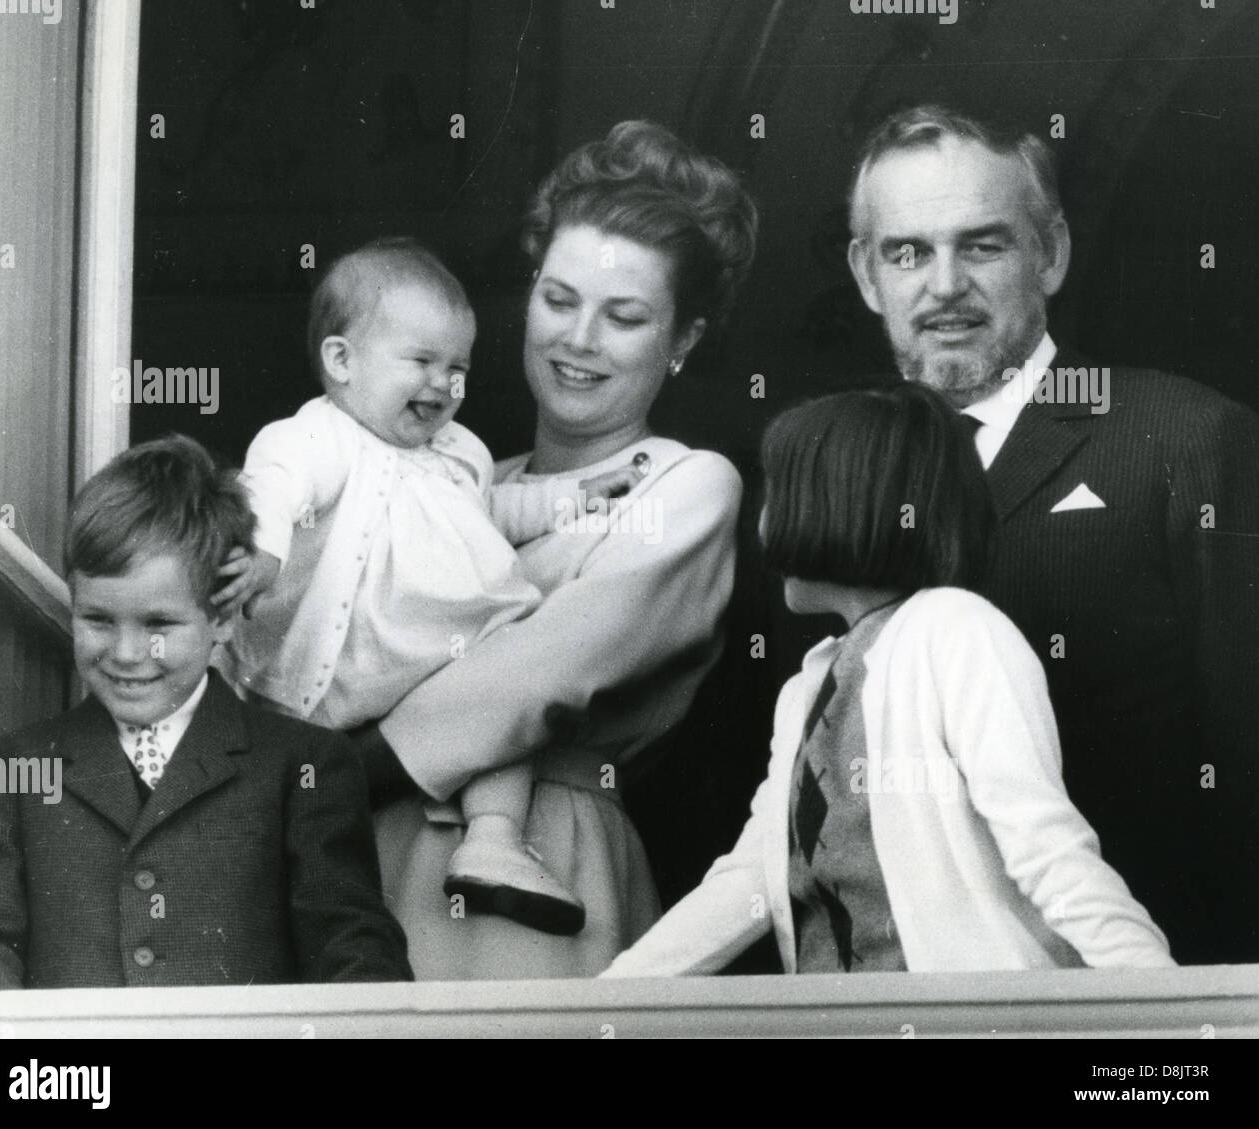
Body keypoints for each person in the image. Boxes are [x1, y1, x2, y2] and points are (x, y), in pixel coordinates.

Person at [844, 104, 1259, 965]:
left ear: (1053, 252)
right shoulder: (828, 475)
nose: (944, 283)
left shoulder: (1180, 435)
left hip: (1134, 1008)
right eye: (908, 251)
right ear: (865, 274)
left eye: (983, 244)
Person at [361, 120, 757, 979]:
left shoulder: (688, 486)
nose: (579, 339)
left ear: (683, 340)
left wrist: (318, 773)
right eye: (559, 299)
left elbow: (538, 672)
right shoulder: (459, 482)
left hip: (538, 859)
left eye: (624, 316)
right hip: (366, 846)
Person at [603, 385, 1175, 976]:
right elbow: (750, 878)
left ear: (844, 501)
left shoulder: (957, 630)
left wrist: (1164, 1011)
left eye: (780, 491)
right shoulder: (805, 691)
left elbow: (1049, 848)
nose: (763, 523)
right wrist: (603, 1000)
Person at [214, 238, 638, 936]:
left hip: (433, 668)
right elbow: (273, 490)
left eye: (458, 368)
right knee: (279, 813)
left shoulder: (461, 451)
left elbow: (495, 513)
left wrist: (574, 496)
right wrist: (261, 551)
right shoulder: (317, 438)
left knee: (501, 704)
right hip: (334, 672)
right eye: (420, 362)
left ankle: (494, 841)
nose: (443, 384)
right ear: (342, 362)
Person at [0, 436, 413, 989]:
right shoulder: (6, 772)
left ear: (220, 620)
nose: (126, 654)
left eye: (158, 625)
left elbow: (351, 944)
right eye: (98, 620)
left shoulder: (305, 767)